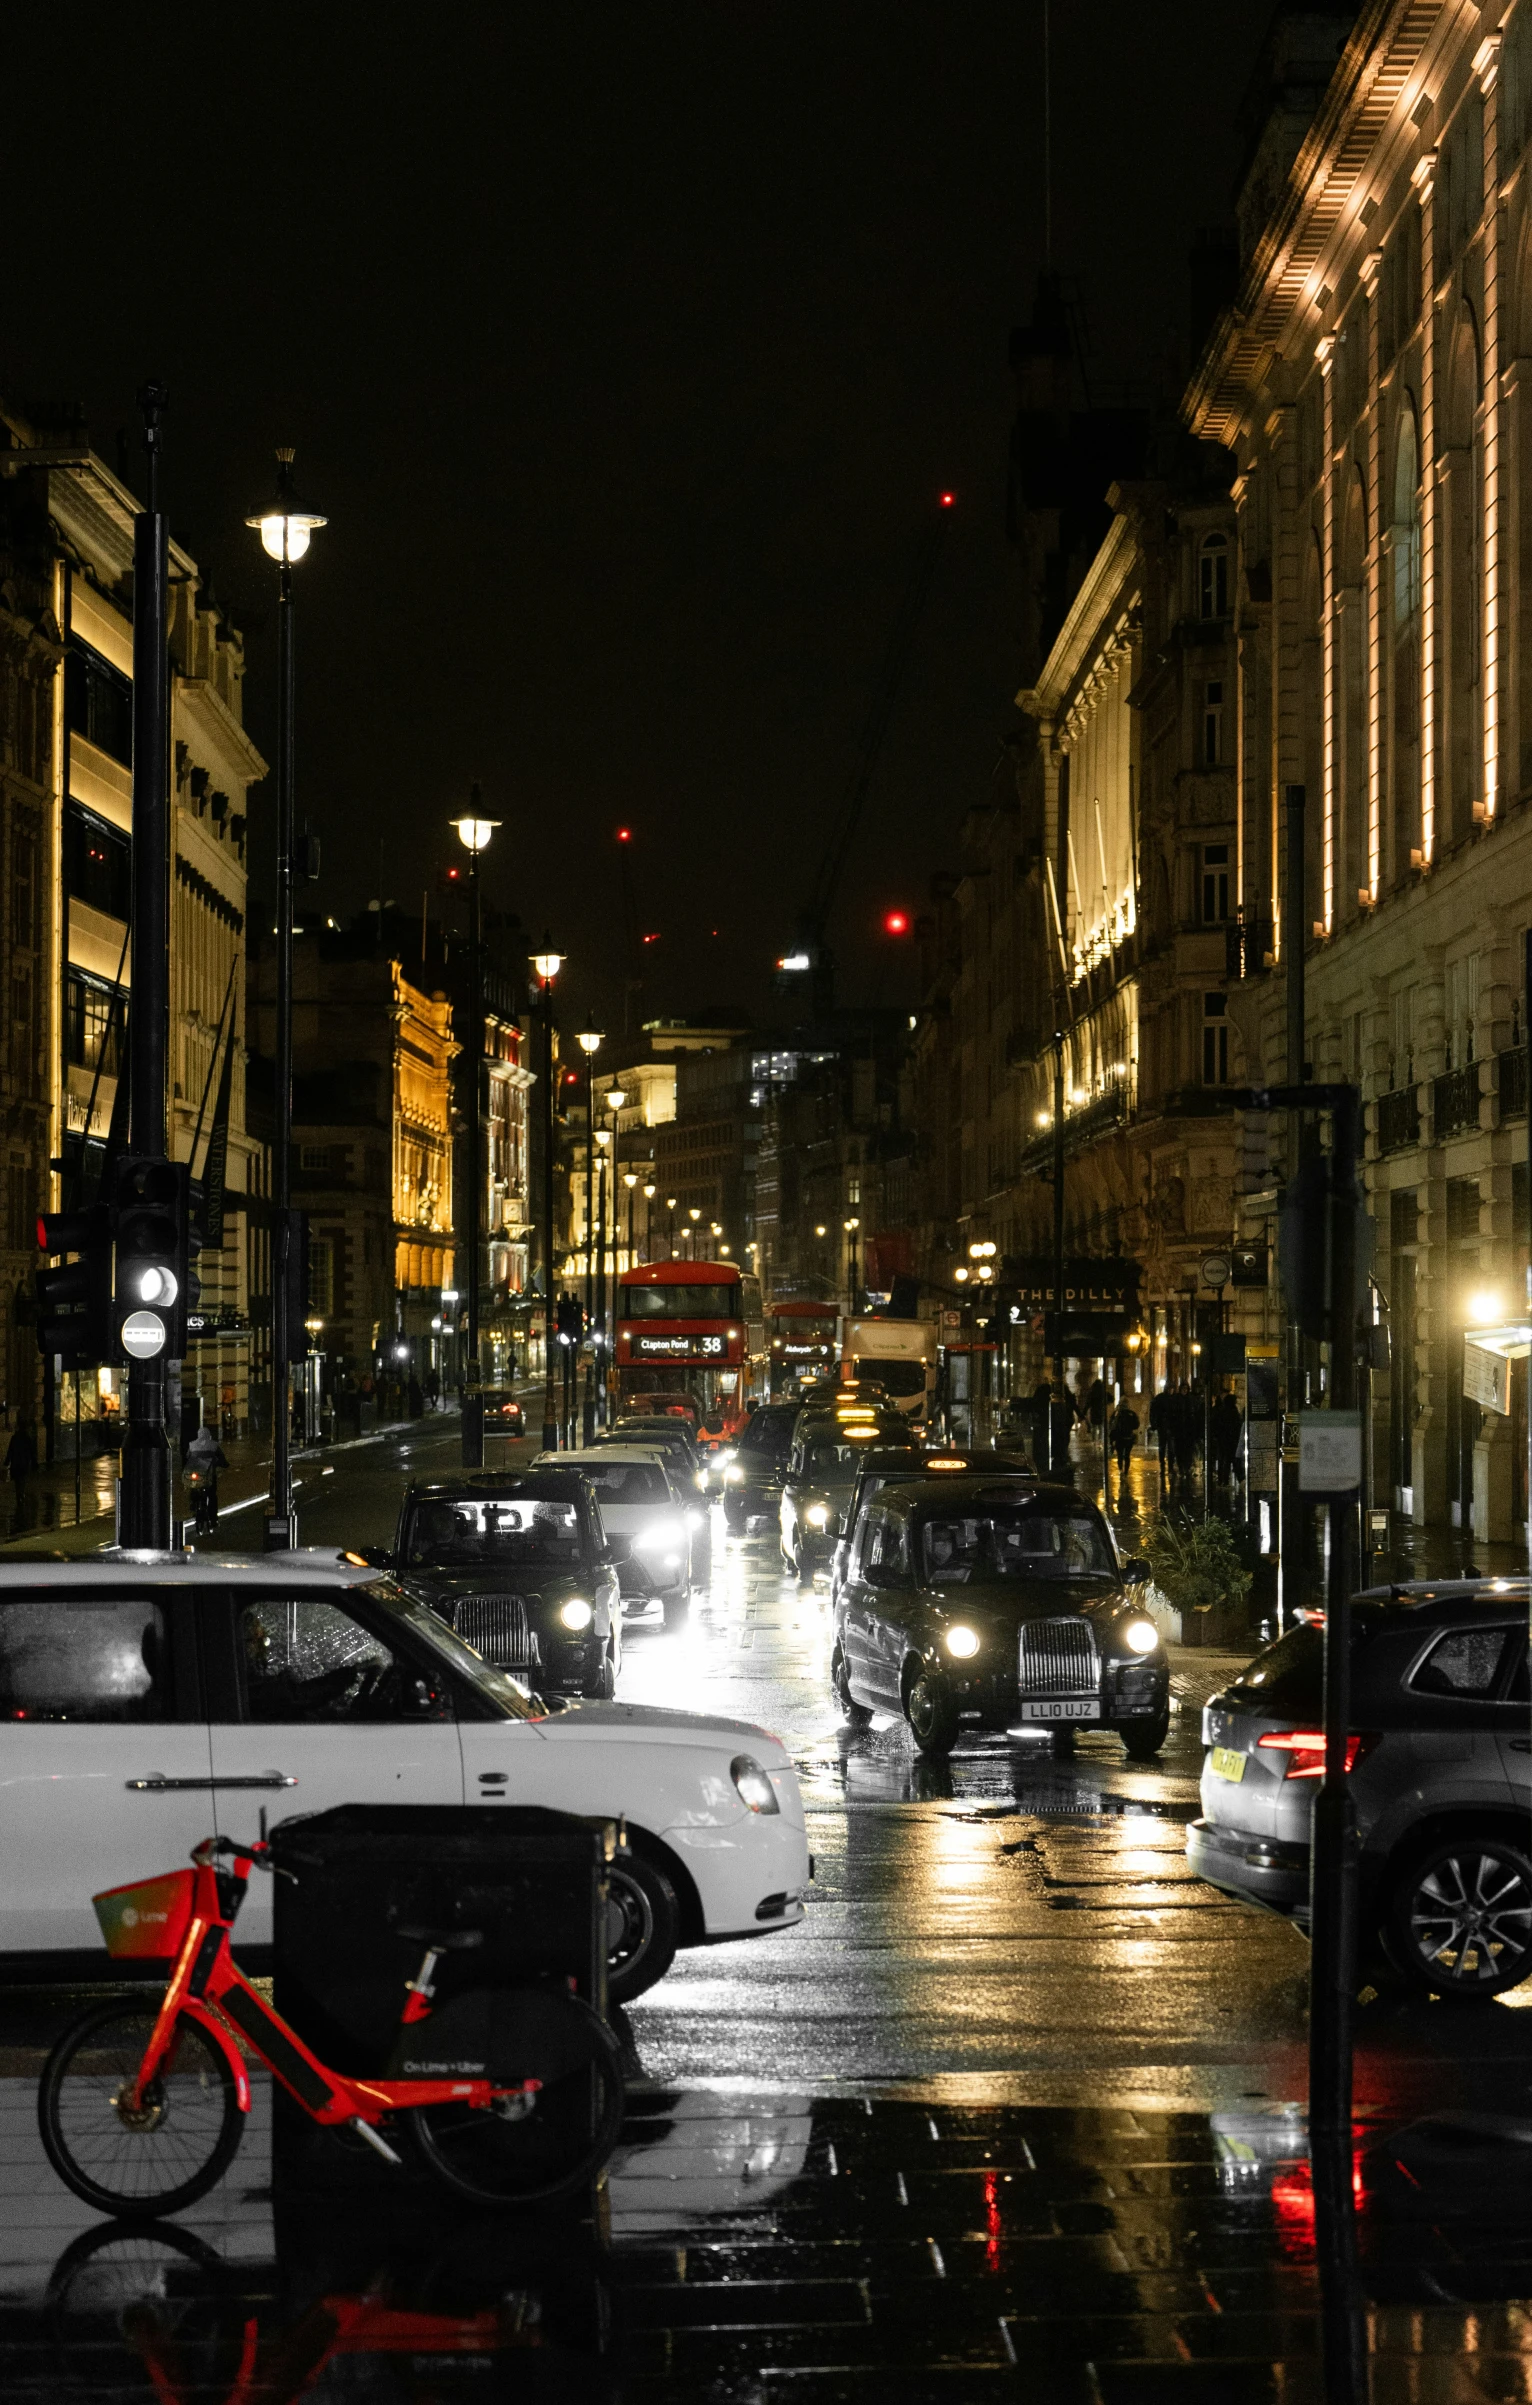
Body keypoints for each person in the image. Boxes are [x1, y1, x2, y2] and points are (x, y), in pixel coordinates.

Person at [185, 1421, 229, 1537]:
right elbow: (223, 1460)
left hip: (195, 1476)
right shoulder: (214, 1445)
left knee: (193, 1487)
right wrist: (222, 1464)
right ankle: (213, 1519)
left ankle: (193, 1504)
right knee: (212, 1496)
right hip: (209, 1476)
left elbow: (187, 1457)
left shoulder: (192, 1444)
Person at [5, 1414, 36, 1528]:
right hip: (23, 1463)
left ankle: (20, 1495)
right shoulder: (27, 1438)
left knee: (18, 1480)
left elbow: (10, 1451)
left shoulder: (15, 1438)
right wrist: (34, 1462)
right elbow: (31, 1452)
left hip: (16, 1463)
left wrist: (7, 1461)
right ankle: (21, 1495)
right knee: (22, 1479)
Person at [1210, 1387, 1244, 1489]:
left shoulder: (1221, 1411)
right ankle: (1227, 1480)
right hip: (1232, 1440)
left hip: (1222, 1439)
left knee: (1222, 1460)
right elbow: (1237, 1426)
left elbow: (1215, 1424)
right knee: (1230, 1460)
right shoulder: (1234, 1412)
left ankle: (1222, 1480)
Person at [1108, 1399, 1139, 1503]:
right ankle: (1125, 1472)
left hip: (1119, 1438)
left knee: (1120, 1456)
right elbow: (1136, 1425)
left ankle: (1121, 1471)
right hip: (1128, 1438)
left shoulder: (1117, 1414)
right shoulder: (1131, 1413)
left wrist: (1111, 1440)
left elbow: (1112, 1426)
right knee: (1127, 1456)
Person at [1147, 1384, 1172, 1494]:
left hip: (1167, 1427)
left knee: (1166, 1446)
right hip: (1165, 1426)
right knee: (1165, 1446)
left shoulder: (1164, 1398)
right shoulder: (1163, 1399)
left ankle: (1166, 1464)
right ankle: (1164, 1464)